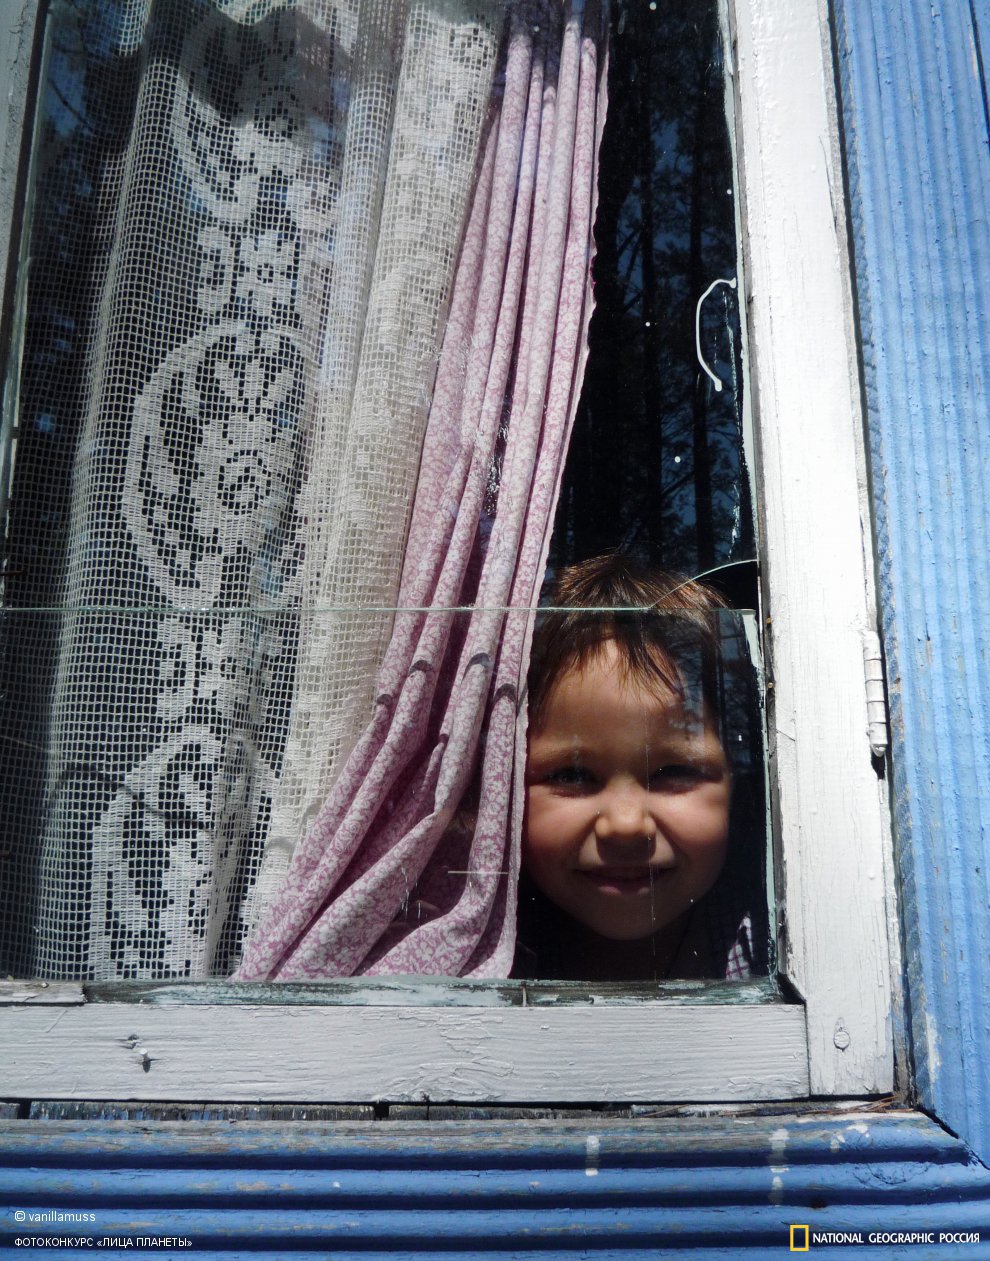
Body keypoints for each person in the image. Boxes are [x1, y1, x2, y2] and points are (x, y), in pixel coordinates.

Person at [514, 552, 760, 981]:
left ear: (738, 786)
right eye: (573, 775)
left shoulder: (775, 949)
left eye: (673, 773)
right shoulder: (473, 959)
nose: (625, 825)